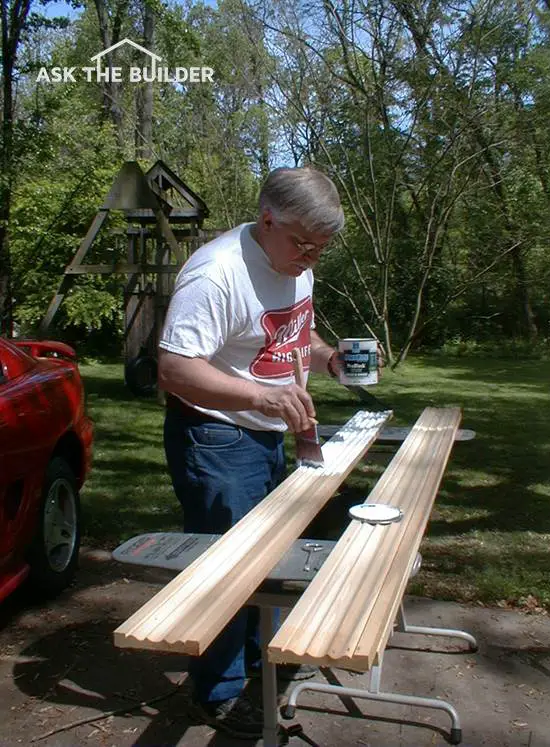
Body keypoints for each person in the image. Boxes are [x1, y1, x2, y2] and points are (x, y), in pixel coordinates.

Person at [158, 166, 345, 739]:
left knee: (269, 558)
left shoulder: (295, 265)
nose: (311, 257)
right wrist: (262, 398)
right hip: (215, 437)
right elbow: (173, 368)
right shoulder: (217, 274)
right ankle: (219, 692)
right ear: (268, 220)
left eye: (322, 248)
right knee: (228, 569)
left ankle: (268, 665)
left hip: (264, 433)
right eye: (303, 244)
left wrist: (331, 359)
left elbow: (292, 335)